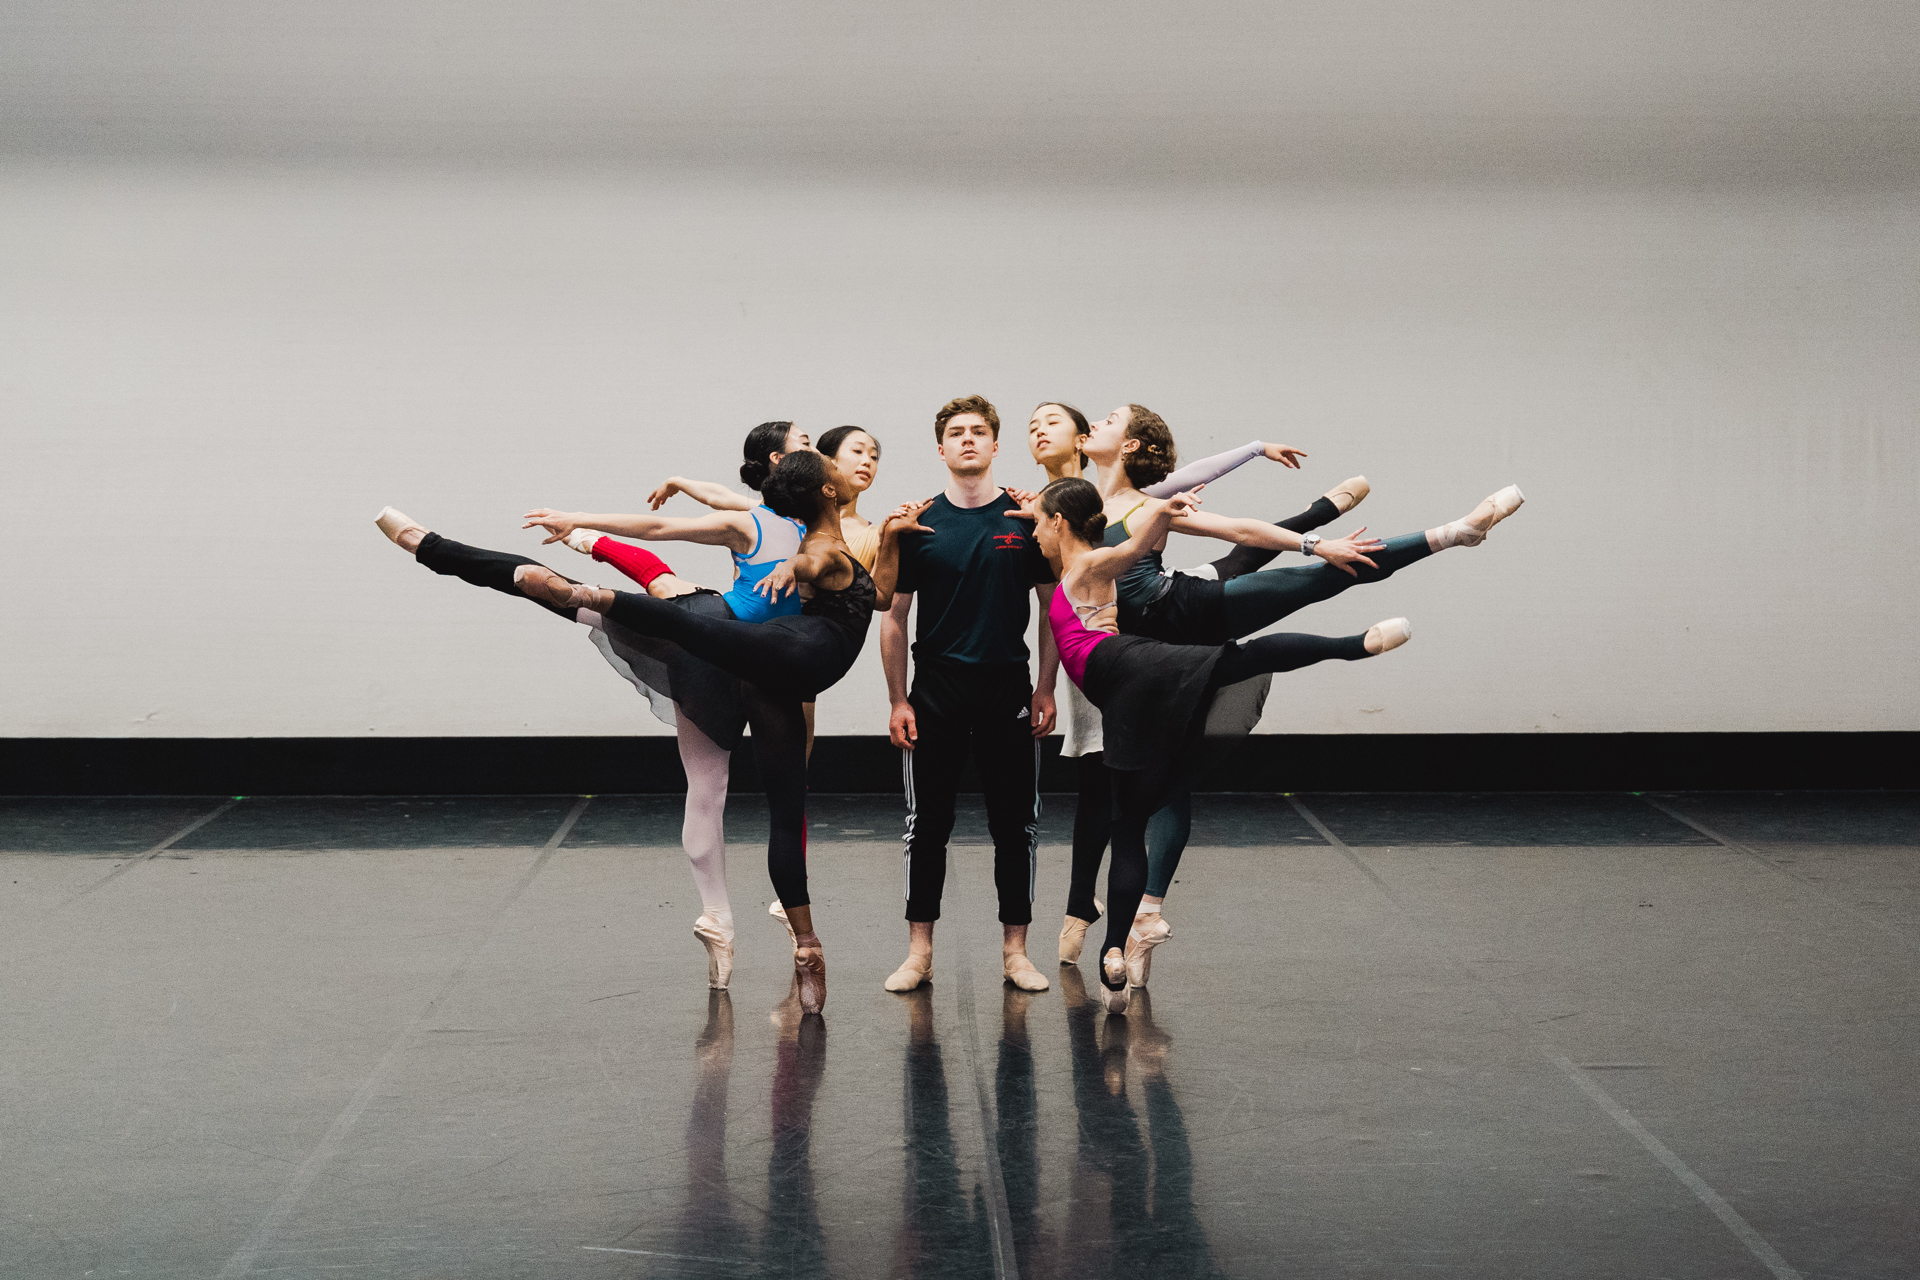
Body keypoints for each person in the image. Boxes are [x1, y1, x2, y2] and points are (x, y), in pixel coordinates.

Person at [1034, 475, 1488, 1012]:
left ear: (1060, 522)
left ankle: (1352, 645)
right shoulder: (1073, 564)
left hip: (1125, 670)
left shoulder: (1087, 564)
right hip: (1127, 704)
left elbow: (1130, 548)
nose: (1035, 531)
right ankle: (1114, 952)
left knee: (1237, 664)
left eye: (1040, 521)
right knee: (1127, 822)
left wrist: (1161, 512)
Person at [513, 451, 925, 1014]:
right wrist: (791, 569)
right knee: (704, 640)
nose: (845, 466)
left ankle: (808, 947)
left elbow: (877, 597)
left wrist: (895, 537)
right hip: (792, 660)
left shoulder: (822, 534)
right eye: (835, 463)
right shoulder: (815, 546)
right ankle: (595, 599)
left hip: (784, 666)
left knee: (783, 799)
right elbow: (675, 528)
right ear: (827, 492)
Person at [1026, 401, 1369, 966]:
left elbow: (1194, 483)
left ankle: (1144, 908)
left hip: (1145, 634)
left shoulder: (1115, 494)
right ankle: (1081, 907)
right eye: (1032, 426)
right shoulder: (1053, 510)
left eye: (1055, 423)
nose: (1041, 430)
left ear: (1083, 438)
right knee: (1101, 787)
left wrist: (1256, 449)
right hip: (1101, 655)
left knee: (1235, 567)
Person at [517, 421, 814, 991]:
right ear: (779, 463)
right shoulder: (755, 519)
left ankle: (769, 907)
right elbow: (660, 526)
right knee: (710, 786)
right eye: (804, 445)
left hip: (781, 662)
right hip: (731, 653)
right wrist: (580, 519)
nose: (815, 453)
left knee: (778, 789)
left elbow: (708, 495)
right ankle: (719, 916)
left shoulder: (813, 520)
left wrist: (679, 477)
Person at [879, 395, 1064, 995]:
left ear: (994, 445)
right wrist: (897, 700)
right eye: (955, 433)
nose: (967, 441)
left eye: (978, 432)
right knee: (925, 825)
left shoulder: (1023, 519)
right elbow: (893, 616)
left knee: (1016, 827)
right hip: (934, 694)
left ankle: (1016, 953)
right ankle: (918, 952)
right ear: (941, 448)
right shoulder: (918, 525)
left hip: (1008, 690)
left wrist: (1044, 686)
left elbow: (1052, 605)